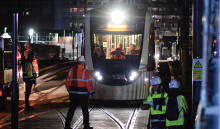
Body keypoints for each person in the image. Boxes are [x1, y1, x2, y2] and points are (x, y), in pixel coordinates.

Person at [64, 56, 95, 129]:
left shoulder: (71, 70)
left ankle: (67, 126)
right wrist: (91, 92)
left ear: (76, 62)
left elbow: (67, 82)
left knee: (71, 110)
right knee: (85, 111)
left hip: (73, 94)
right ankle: (86, 126)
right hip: (83, 95)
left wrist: (69, 90)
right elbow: (88, 83)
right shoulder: (85, 72)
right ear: (83, 63)